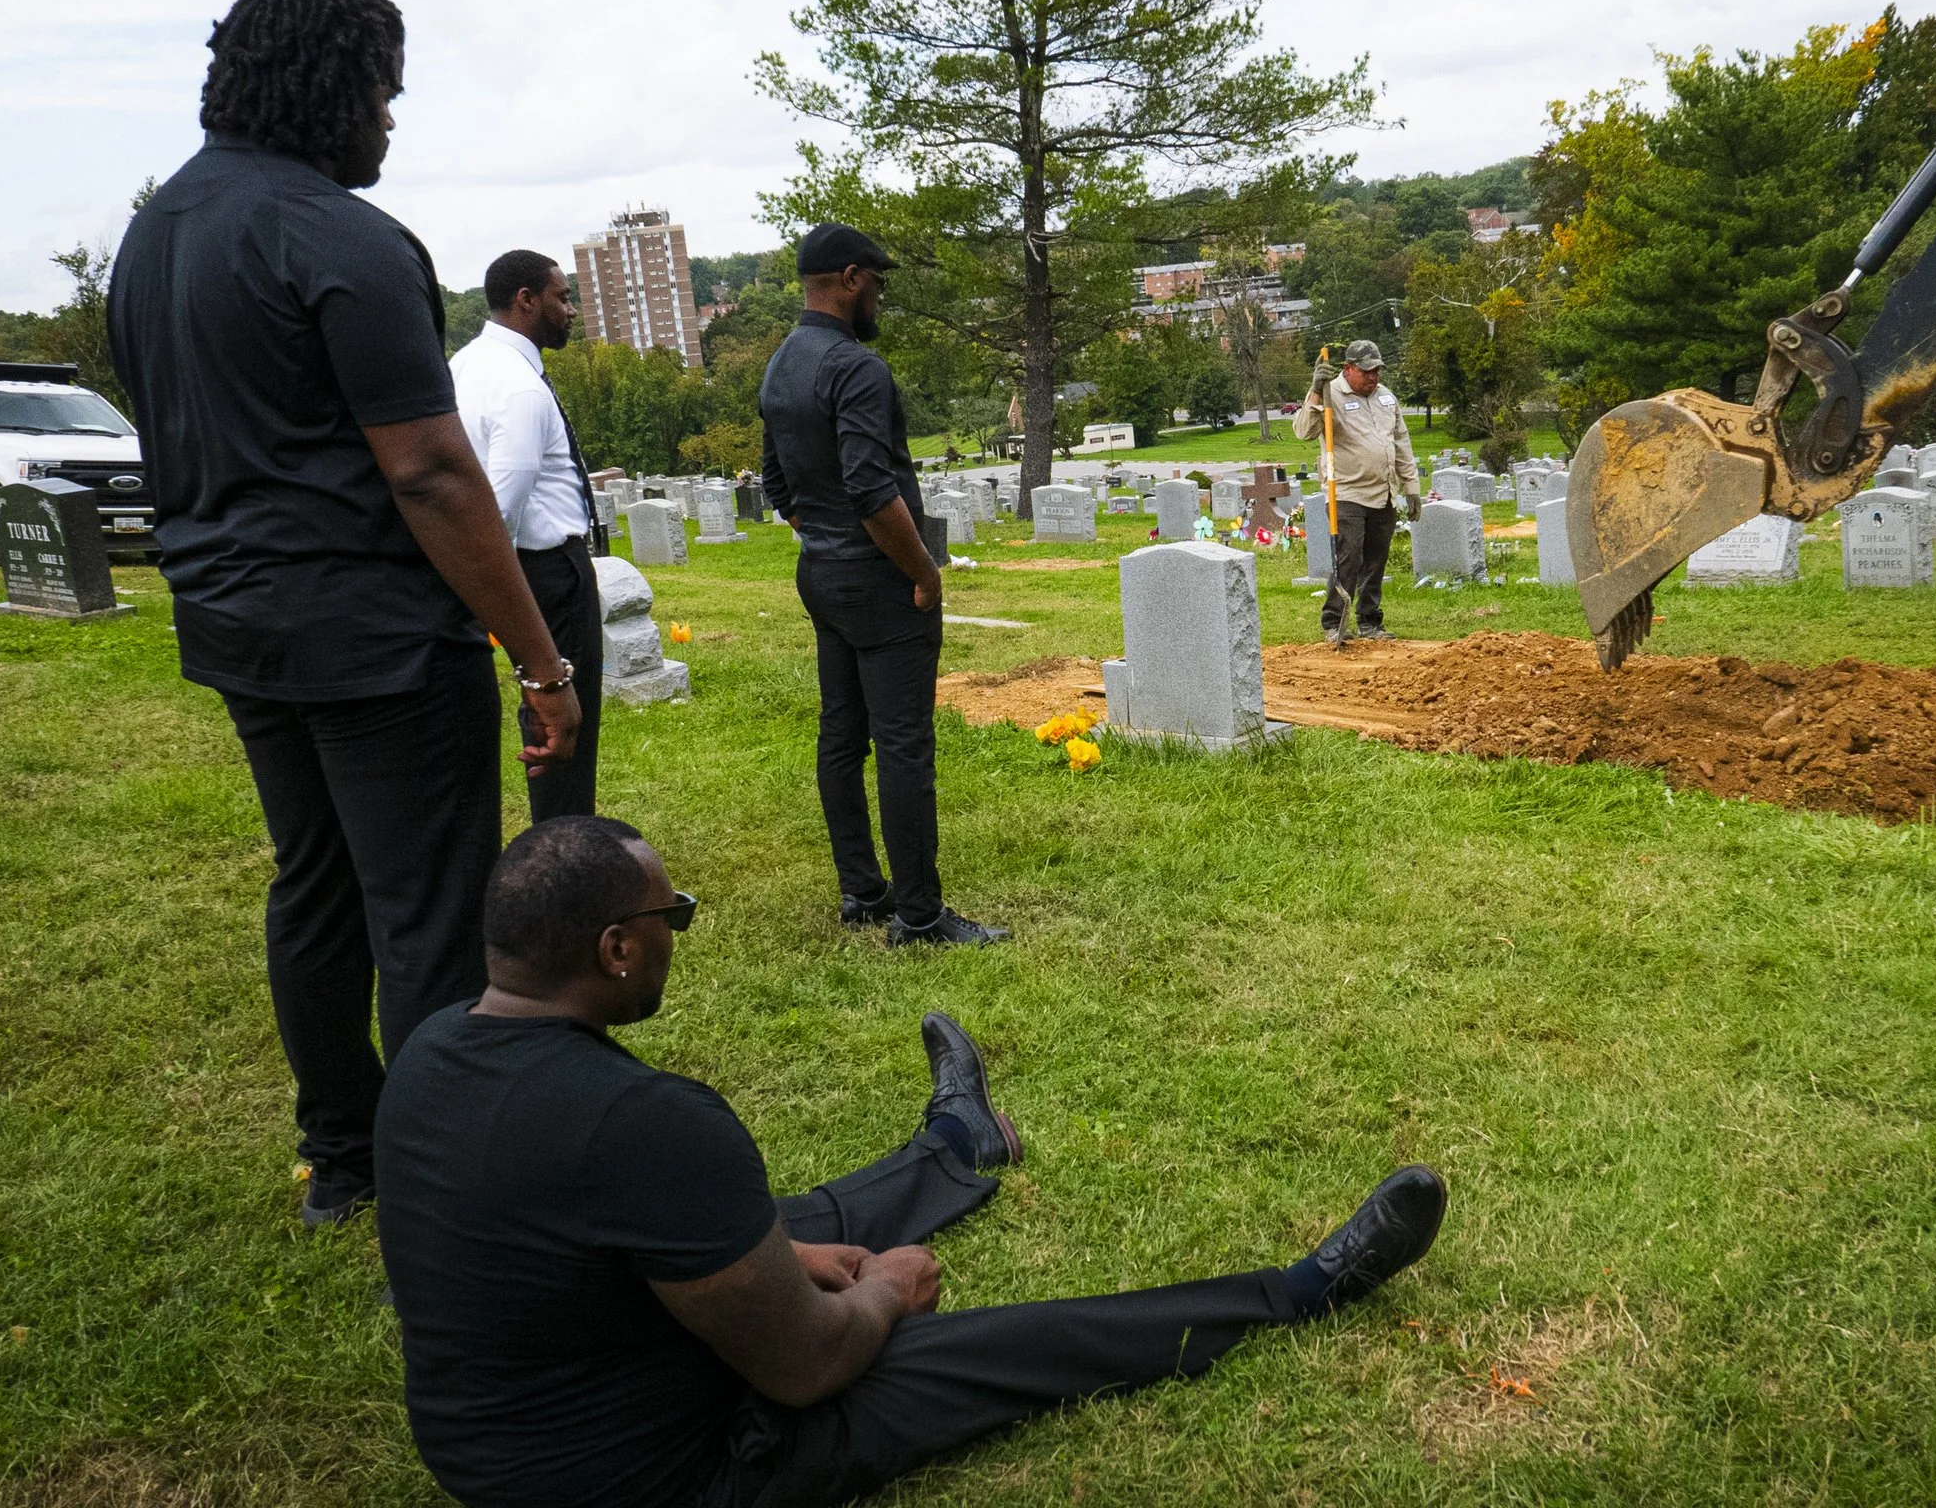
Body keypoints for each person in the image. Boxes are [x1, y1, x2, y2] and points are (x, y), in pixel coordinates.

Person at [373, 816, 1447, 1508]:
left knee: (773, 1219)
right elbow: (805, 1368)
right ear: (617, 948)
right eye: (674, 916)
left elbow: (590, 1246)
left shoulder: (428, 1053)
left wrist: (787, 1255)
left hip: (498, 1447)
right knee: (987, 1348)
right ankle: (1295, 1294)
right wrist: (881, 1289)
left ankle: (953, 1148)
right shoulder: (648, 1122)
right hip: (670, 1475)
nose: (676, 933)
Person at [107, 0, 581, 1228]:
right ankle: (444, 1178)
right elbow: (430, 470)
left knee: (312, 884)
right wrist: (540, 660)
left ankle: (346, 1155)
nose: (386, 119)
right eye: (380, 92)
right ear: (328, 86)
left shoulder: (152, 237)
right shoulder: (344, 240)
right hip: (372, 637)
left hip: (234, 623)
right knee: (426, 909)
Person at [758, 223, 1004, 946]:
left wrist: (826, 540)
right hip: (879, 580)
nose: (882, 297)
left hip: (821, 574)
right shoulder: (856, 367)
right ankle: (920, 915)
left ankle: (862, 890)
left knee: (841, 733)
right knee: (902, 745)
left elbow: (778, 482)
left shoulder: (781, 365)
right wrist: (922, 570)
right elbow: (871, 488)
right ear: (852, 278)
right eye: (879, 283)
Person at [450, 250, 605, 821]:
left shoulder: (465, 364)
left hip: (515, 566)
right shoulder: (519, 386)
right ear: (526, 300)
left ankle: (557, 844)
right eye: (562, 298)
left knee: (544, 721)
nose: (571, 311)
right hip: (545, 569)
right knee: (563, 722)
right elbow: (500, 509)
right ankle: (565, 857)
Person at [1293, 340, 1420, 646]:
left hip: (1384, 492)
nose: (1373, 377)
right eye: (1366, 371)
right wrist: (1314, 391)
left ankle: (1369, 620)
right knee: (1348, 557)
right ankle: (1334, 621)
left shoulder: (1387, 398)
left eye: (1377, 370)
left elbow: (1401, 443)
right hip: (1347, 492)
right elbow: (1303, 431)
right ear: (1347, 369)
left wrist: (1411, 487)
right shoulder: (1329, 393)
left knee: (1376, 560)